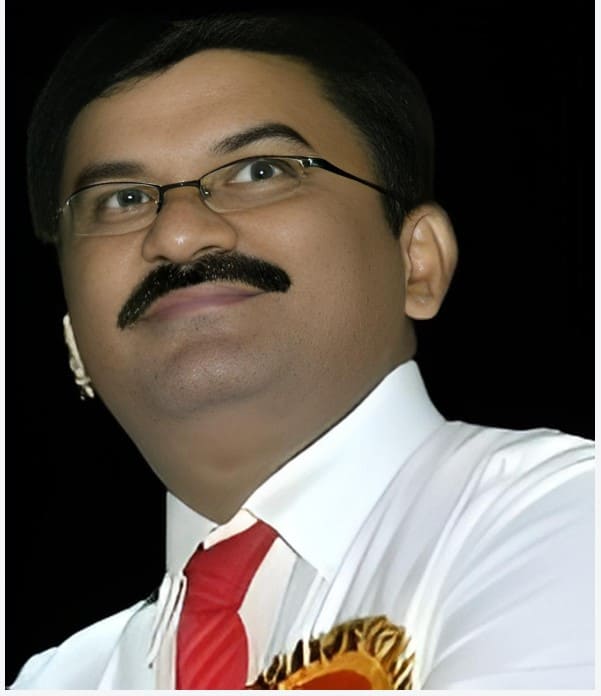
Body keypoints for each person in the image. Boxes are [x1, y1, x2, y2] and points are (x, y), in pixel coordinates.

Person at [9, 8, 594, 690]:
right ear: (73, 337)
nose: (178, 234)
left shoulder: (563, 517)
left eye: (259, 170)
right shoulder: (57, 681)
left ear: (417, 263)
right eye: (122, 199)